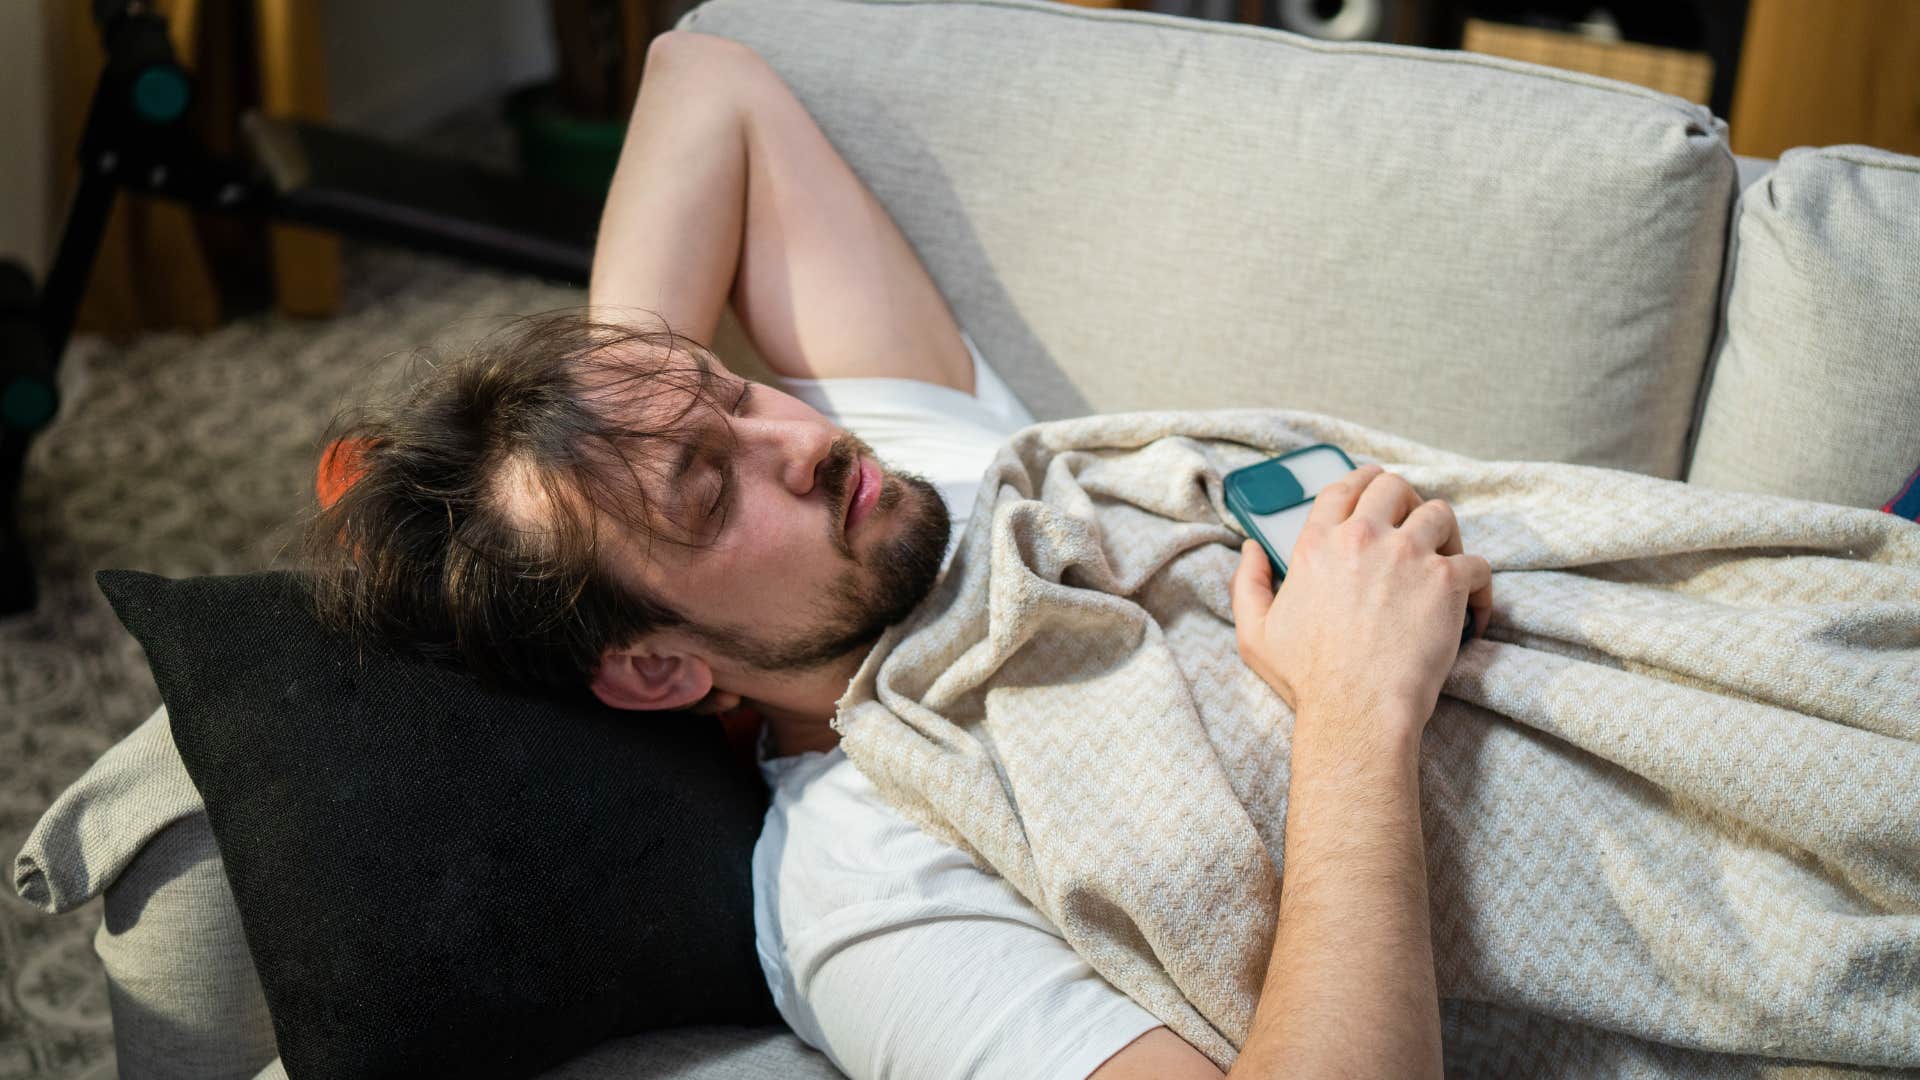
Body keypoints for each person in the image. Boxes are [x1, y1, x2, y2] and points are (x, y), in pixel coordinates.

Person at [304, 30, 1491, 1080]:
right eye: (710, 490)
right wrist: (1358, 703)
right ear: (658, 667)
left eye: (735, 393)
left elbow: (704, 79)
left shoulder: (905, 478)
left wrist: (613, 413)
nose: (805, 441)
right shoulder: (861, 892)